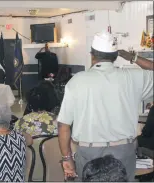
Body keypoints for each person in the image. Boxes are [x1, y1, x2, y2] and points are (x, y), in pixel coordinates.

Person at [57, 32, 153, 181]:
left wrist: (66, 158)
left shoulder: (76, 81)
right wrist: (133, 57)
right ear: (115, 56)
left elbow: (63, 126)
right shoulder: (133, 77)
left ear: (92, 55)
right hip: (124, 151)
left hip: (88, 152)